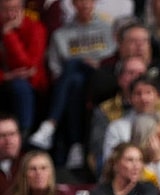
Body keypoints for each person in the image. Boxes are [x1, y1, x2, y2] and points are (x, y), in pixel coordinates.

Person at [27, 0, 116, 167]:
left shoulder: (108, 29)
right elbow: (55, 69)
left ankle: (50, 124)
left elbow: (112, 61)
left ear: (94, 3)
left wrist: (94, 64)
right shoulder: (61, 34)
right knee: (75, 79)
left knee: (73, 63)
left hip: (98, 79)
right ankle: (76, 146)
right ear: (73, 5)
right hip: (71, 82)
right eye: (80, 2)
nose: (85, 6)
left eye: (88, 2)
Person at [0, 0, 47, 136]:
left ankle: (23, 137)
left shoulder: (36, 28)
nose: (10, 14)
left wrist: (8, 34)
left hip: (31, 85)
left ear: (22, 9)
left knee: (20, 86)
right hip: (4, 80)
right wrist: (5, 76)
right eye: (5, 10)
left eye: (14, 9)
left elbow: (27, 67)